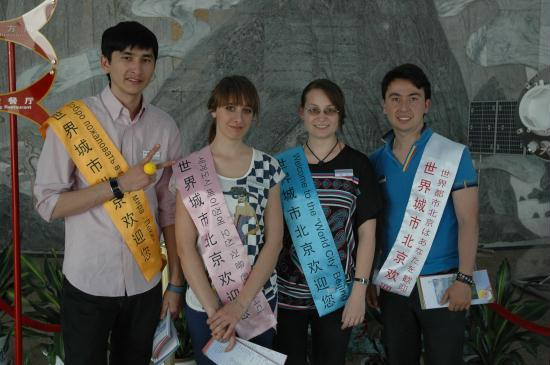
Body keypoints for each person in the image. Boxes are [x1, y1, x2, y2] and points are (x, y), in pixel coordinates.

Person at [34, 21, 184, 365]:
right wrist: (117, 186)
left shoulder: (164, 126)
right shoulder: (73, 122)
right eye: (126, 57)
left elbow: (170, 210)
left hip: (144, 283)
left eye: (146, 59)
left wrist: (174, 282)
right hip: (88, 282)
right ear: (106, 63)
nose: (136, 69)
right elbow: (48, 204)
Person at [367, 63, 479, 365]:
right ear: (384, 105)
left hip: (443, 285)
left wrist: (464, 279)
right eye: (395, 98)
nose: (404, 107)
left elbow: (469, 220)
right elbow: (373, 227)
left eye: (413, 98)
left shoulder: (452, 154)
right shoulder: (373, 162)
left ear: (426, 104)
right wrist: (370, 278)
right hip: (393, 284)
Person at [173, 75, 284, 364]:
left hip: (257, 300)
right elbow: (185, 247)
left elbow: (274, 242)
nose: (238, 117)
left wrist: (239, 306)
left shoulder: (267, 167)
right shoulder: (189, 169)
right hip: (204, 304)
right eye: (231, 107)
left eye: (247, 110)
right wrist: (216, 313)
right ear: (214, 109)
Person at [274, 79, 383, 365]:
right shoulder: (282, 166)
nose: (321, 118)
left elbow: (367, 233)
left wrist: (360, 290)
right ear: (302, 113)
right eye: (314, 110)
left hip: (336, 294)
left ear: (340, 114)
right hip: (287, 295)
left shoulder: (359, 165)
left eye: (330, 110)